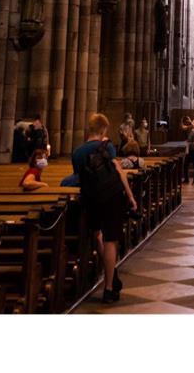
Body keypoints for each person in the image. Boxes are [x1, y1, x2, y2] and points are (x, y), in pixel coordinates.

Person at [72, 112, 138, 303]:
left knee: (97, 234)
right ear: (103, 130)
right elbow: (119, 172)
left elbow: (78, 179)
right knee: (111, 240)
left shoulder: (77, 152)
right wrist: (131, 197)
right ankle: (109, 287)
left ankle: (111, 271)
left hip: (90, 199)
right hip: (111, 197)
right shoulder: (107, 146)